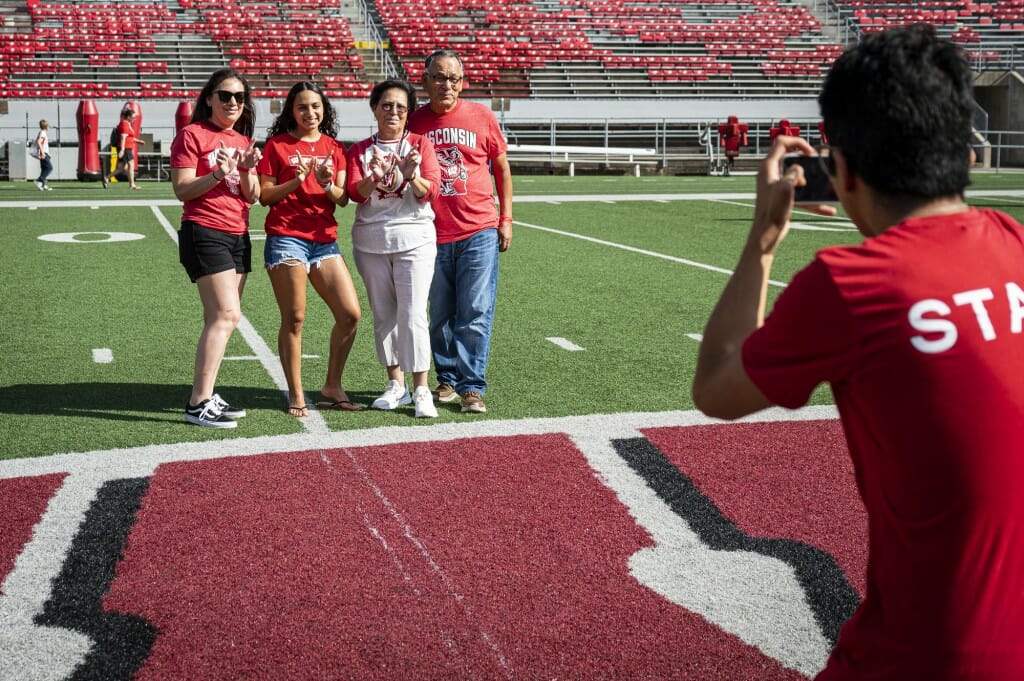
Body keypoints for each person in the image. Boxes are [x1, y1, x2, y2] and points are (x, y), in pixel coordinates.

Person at [691, 24, 1024, 679]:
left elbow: (716, 389)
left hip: (925, 654)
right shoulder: (1012, 241)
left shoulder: (854, 282)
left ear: (840, 170)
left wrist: (765, 233)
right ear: (969, 153)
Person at [407, 49, 513, 414]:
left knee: (476, 310)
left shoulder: (481, 116)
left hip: (478, 228)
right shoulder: (413, 122)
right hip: (429, 232)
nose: (446, 85)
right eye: (438, 77)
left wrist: (507, 218)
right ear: (425, 81)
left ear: (462, 82)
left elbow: (501, 168)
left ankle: (472, 387)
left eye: (453, 78)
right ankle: (446, 378)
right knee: (438, 313)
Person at [256, 81, 362, 418]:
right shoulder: (277, 146)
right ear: (292, 110)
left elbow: (342, 198)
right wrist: (296, 182)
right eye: (302, 107)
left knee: (350, 315)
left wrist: (327, 181)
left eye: (316, 106)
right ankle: (297, 393)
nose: (310, 113)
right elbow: (264, 196)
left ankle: (332, 385)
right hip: (287, 237)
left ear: (324, 110)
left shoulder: (334, 147)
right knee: (295, 317)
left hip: (324, 240)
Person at [171, 68, 262, 428]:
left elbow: (252, 196)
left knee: (221, 318)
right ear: (209, 97)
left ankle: (206, 394)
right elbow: (182, 189)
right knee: (226, 315)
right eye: (225, 95)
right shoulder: (191, 135)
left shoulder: (241, 140)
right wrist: (218, 175)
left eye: (240, 97)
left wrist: (249, 171)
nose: (233, 103)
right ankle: (197, 403)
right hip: (204, 230)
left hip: (238, 233)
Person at [346, 79, 441, 418]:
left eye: (401, 106)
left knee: (413, 314)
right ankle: (395, 384)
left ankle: (421, 388)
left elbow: (430, 192)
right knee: (384, 315)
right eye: (386, 105)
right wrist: (374, 177)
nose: (393, 112)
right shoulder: (359, 150)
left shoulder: (419, 144)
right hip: (371, 243)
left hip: (414, 239)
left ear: (408, 112)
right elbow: (354, 194)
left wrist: (410, 174)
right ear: (374, 108)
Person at [103, 107, 144, 189]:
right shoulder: (125, 124)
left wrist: (138, 141)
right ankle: (132, 184)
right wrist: (122, 150)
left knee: (121, 168)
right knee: (131, 165)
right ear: (128, 117)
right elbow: (123, 137)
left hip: (125, 148)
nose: (134, 119)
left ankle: (107, 177)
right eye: (133, 117)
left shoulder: (126, 124)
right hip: (126, 148)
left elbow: (129, 137)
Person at [33, 119, 52, 191]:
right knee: (49, 168)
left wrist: (48, 153)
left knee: (44, 169)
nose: (49, 127)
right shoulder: (43, 133)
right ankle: (39, 180)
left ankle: (42, 185)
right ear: (46, 126)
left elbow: (43, 144)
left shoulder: (41, 132)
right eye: (48, 126)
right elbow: (39, 142)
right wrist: (43, 153)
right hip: (43, 153)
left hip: (44, 152)